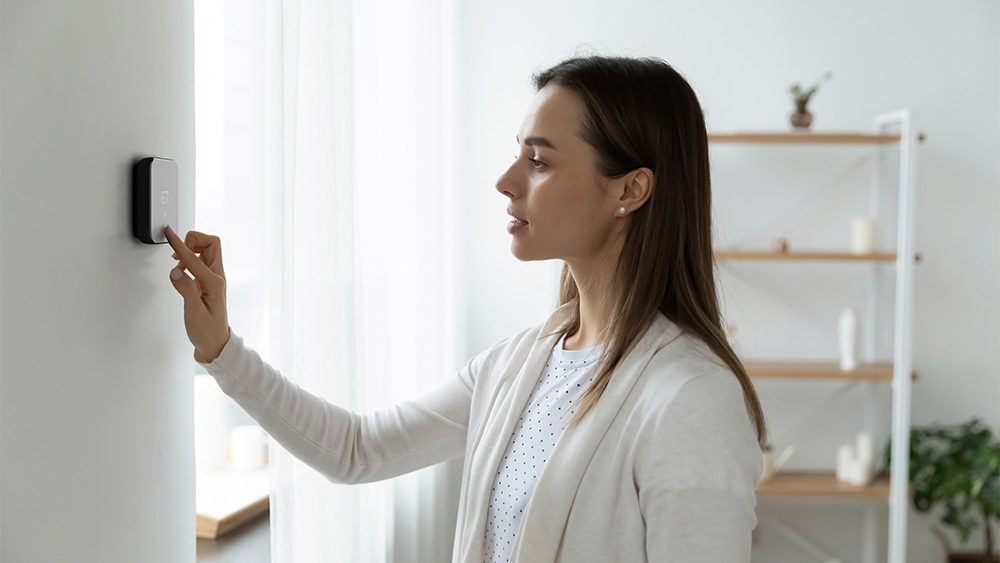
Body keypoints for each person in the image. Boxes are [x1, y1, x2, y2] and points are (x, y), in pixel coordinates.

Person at [166, 55, 768, 563]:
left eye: (539, 160)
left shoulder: (691, 398)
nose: (506, 181)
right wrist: (221, 349)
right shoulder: (518, 365)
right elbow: (357, 449)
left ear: (630, 190)